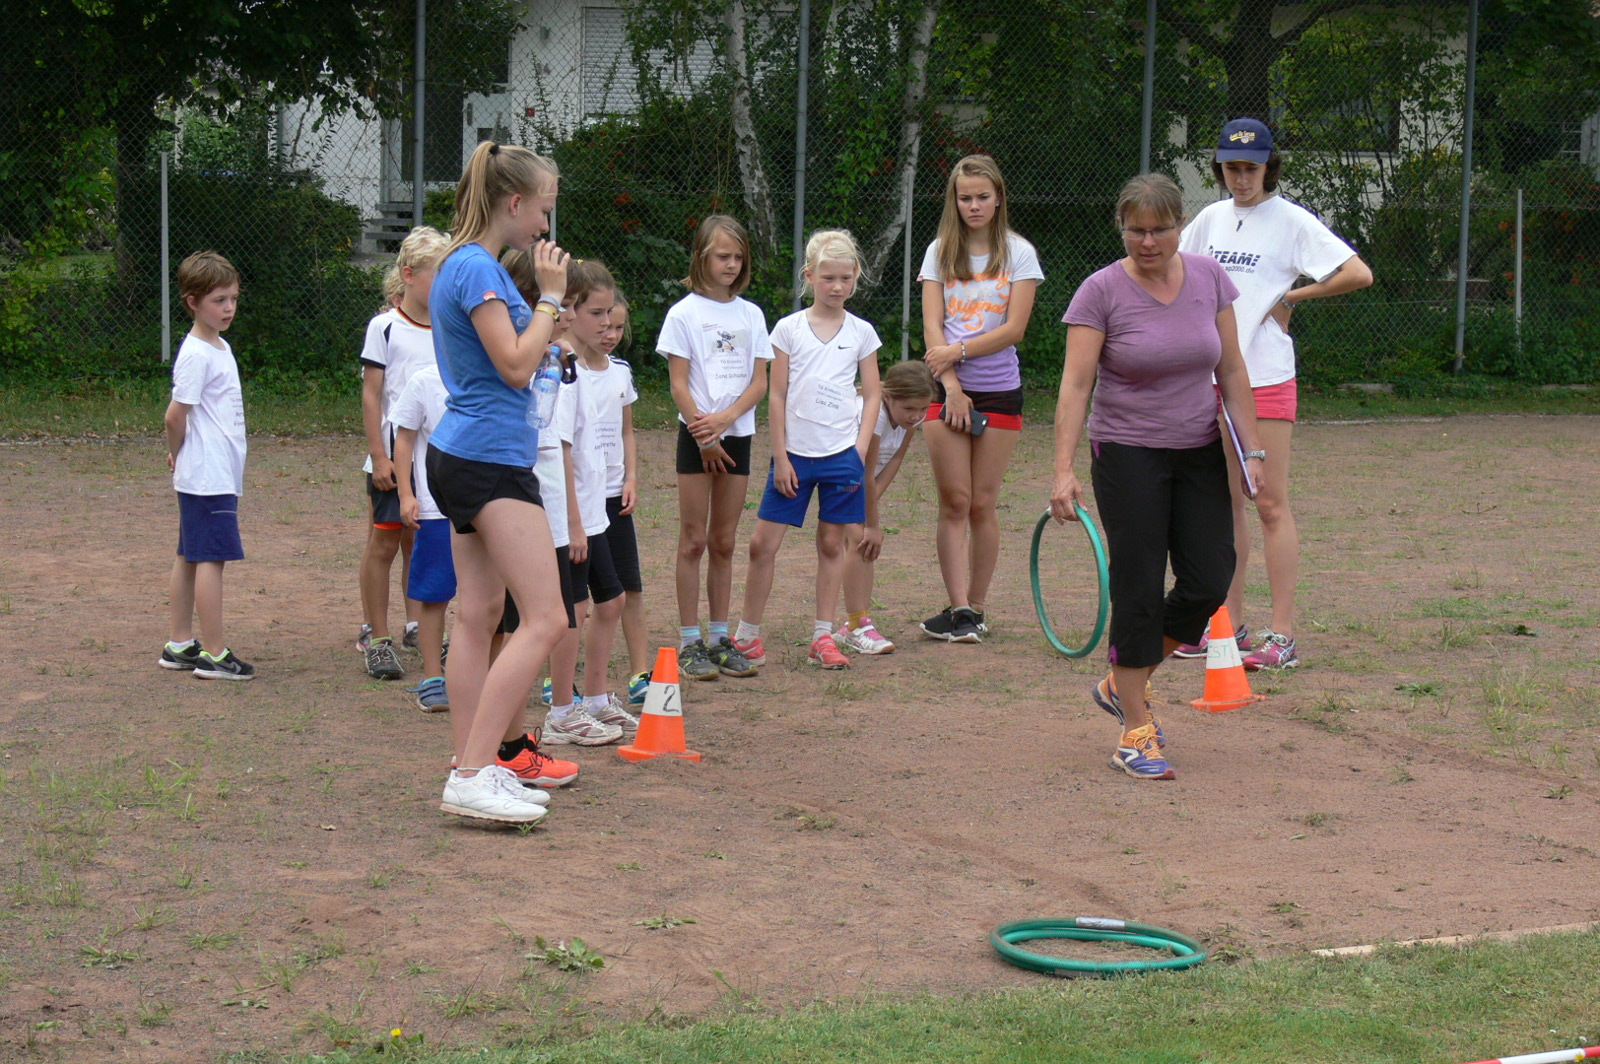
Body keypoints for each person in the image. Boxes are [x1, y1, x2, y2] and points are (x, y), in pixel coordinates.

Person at [1050, 173, 1266, 781]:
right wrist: (1063, 469)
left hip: (1197, 448)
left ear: (1180, 226)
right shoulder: (1100, 291)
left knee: (1210, 577)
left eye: (1160, 229)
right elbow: (1075, 385)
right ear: (1122, 229)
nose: (1148, 242)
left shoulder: (1209, 277)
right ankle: (1135, 732)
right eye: (1135, 230)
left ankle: (1123, 680)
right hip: (1127, 452)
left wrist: (1252, 451)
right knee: (1139, 584)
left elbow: (1232, 369)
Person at [1176, 118, 1373, 670]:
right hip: (1211, 378)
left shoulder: (1291, 221)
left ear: (1269, 168)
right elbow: (1179, 273)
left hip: (1264, 378)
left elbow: (1357, 273)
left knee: (1269, 503)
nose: (1241, 178)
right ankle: (1228, 626)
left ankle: (1282, 637)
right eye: (1232, 168)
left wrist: (1292, 298)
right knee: (1224, 506)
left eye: (1251, 168)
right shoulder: (1210, 219)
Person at [427, 140, 571, 824]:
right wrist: (550, 301)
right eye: (543, 210)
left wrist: (546, 332)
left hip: (471, 454)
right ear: (514, 203)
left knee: (480, 617)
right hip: (487, 461)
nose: (545, 226)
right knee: (547, 618)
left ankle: (474, 767)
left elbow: (513, 358)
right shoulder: (477, 269)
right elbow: (514, 366)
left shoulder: (469, 266)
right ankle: (472, 773)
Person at [733, 230, 882, 670]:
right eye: (828, 278)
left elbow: (873, 393)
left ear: (855, 277)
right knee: (762, 544)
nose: (837, 286)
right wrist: (780, 456)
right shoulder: (788, 329)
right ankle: (747, 636)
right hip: (794, 457)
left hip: (841, 457)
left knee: (832, 544)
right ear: (810, 276)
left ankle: (823, 636)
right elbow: (776, 394)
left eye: (845, 278)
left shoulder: (862, 332)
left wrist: (857, 450)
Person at [917, 154, 1043, 644]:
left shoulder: (1019, 253)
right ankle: (959, 608)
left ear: (998, 199)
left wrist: (961, 350)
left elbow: (1014, 329)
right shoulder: (938, 252)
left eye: (982, 197)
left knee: (983, 504)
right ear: (954, 200)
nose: (973, 206)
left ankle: (978, 606)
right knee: (956, 501)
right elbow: (933, 326)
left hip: (1000, 390)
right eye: (965, 197)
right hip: (946, 388)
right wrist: (951, 385)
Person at [657, 215, 771, 681]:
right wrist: (705, 434)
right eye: (723, 255)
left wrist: (725, 421)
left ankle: (721, 638)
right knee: (694, 540)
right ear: (702, 256)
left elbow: (759, 382)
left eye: (738, 257)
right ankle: (690, 641)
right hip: (697, 436)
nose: (731, 264)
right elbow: (678, 384)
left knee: (724, 541)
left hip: (736, 435)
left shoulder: (752, 315)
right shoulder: (683, 314)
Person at [357, 227, 449, 680]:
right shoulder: (385, 327)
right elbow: (372, 394)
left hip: (438, 459)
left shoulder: (453, 326)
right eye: (438, 274)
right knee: (385, 542)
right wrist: (380, 457)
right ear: (409, 275)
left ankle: (417, 626)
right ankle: (377, 638)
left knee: (423, 540)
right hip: (395, 457)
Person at [556, 259, 640, 738]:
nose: (607, 324)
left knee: (612, 599)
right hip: (571, 513)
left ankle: (594, 698)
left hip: (595, 509)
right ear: (568, 311)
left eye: (611, 314)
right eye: (596, 314)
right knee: (572, 610)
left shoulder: (593, 370)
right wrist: (573, 522)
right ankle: (561, 713)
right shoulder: (560, 370)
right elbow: (559, 450)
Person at [160, 250, 254, 681]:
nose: (229, 307)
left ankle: (180, 644)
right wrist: (177, 451)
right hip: (207, 474)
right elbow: (174, 416)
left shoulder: (219, 346)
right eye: (219, 300)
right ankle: (214, 654)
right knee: (211, 559)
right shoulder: (197, 354)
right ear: (193, 302)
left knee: (190, 554)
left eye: (233, 298)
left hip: (211, 471)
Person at [838, 360, 937, 656]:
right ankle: (856, 626)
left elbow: (894, 460)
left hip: (861, 484)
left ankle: (856, 623)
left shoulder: (910, 420)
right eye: (910, 409)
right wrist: (872, 523)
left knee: (861, 545)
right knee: (860, 540)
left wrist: (870, 506)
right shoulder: (875, 415)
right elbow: (865, 472)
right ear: (888, 397)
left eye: (923, 409)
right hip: (843, 475)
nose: (917, 416)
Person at [390, 360, 453, 712]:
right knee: (434, 595)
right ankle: (433, 678)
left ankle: (483, 675)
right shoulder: (424, 380)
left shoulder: (496, 373)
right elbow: (404, 438)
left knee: (490, 599)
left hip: (487, 506)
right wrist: (406, 494)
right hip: (436, 508)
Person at [602, 293, 655, 706]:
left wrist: (631, 477)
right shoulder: (565, 371)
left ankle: (640, 673)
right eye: (604, 325)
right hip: (577, 501)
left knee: (629, 587)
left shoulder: (620, 372)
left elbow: (626, 432)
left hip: (614, 495)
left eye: (619, 327)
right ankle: (555, 679)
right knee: (572, 596)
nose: (611, 334)